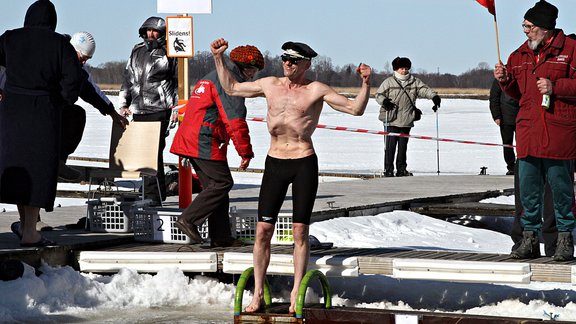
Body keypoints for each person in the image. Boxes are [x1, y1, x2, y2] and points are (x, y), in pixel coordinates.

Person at [210, 37, 372, 314]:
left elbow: (355, 109)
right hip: (275, 162)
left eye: (294, 60)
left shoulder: (316, 90)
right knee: (262, 230)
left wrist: (366, 84)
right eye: (285, 58)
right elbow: (232, 87)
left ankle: (297, 288)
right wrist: (218, 57)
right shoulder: (270, 84)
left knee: (299, 231)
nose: (287, 63)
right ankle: (258, 292)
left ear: (306, 64)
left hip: (303, 162)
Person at [494, 0, 576, 261]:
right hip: (528, 132)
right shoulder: (518, 55)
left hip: (558, 133)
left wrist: (556, 87)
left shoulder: (572, 50)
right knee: (527, 191)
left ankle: (565, 238)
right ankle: (529, 239)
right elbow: (519, 93)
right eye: (524, 26)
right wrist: (506, 82)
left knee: (561, 190)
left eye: (529, 26)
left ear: (546, 28)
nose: (525, 31)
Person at [0, 0, 84, 247]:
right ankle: (30, 231)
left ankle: (25, 226)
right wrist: (62, 99)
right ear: (52, 20)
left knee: (20, 168)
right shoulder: (60, 44)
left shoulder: (9, 39)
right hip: (43, 114)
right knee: (38, 170)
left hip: (12, 112)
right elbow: (73, 79)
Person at [170, 45, 265, 247]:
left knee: (216, 187)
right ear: (245, 67)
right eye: (253, 71)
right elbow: (234, 120)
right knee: (222, 183)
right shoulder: (228, 81)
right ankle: (188, 219)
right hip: (202, 140)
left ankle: (221, 237)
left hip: (194, 138)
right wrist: (245, 152)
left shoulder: (213, 75)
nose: (252, 76)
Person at [119, 16, 178, 206]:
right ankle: (154, 192)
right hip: (138, 108)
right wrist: (123, 103)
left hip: (159, 107)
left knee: (153, 151)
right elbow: (128, 78)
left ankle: (152, 194)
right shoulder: (137, 50)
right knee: (143, 152)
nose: (151, 35)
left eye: (155, 32)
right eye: (148, 31)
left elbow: (178, 82)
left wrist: (177, 108)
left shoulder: (170, 52)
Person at [375, 57, 441, 177]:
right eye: (401, 68)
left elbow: (425, 90)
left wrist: (434, 97)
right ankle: (388, 169)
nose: (404, 71)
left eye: (406, 68)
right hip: (391, 119)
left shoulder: (414, 81)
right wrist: (384, 101)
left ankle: (401, 169)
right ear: (396, 69)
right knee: (390, 147)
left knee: (403, 147)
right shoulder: (389, 82)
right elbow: (378, 95)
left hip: (406, 119)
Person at [489, 78, 519, 176]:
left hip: (522, 117)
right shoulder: (500, 78)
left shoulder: (521, 75)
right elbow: (494, 98)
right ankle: (511, 167)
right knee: (507, 144)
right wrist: (496, 116)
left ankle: (522, 165)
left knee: (523, 143)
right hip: (505, 118)